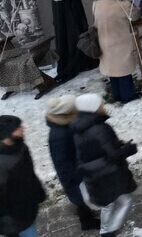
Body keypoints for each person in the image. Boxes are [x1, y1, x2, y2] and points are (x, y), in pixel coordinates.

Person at [72, 93, 137, 235]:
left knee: (109, 204)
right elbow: (114, 155)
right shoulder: (100, 128)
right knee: (125, 201)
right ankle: (108, 232)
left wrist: (116, 143)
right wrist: (129, 149)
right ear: (92, 107)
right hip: (108, 174)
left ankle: (106, 230)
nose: (102, 106)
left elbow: (93, 147)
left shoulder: (79, 127)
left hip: (95, 176)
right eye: (100, 104)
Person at [45, 96, 101, 231]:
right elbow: (63, 162)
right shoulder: (60, 134)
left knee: (82, 197)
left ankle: (87, 216)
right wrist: (78, 177)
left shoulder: (64, 124)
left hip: (78, 169)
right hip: (75, 174)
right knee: (81, 198)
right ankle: (87, 222)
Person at [93, 0, 141, 104]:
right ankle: (128, 96)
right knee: (123, 71)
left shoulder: (96, 3)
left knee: (112, 71)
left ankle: (117, 95)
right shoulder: (123, 3)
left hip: (103, 40)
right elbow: (135, 16)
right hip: (121, 41)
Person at [0, 115, 46, 237]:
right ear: (7, 134)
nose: (23, 128)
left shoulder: (21, 147)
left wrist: (38, 191)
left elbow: (30, 175)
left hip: (28, 208)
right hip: (15, 219)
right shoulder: (2, 164)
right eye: (18, 127)